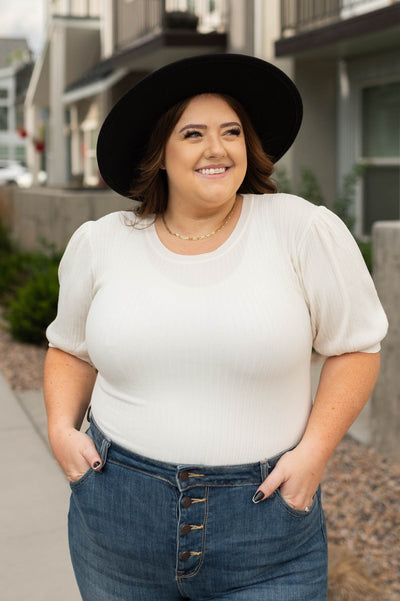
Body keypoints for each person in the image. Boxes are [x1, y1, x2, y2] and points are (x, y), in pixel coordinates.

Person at [44, 54, 388, 601]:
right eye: (193, 134)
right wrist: (61, 431)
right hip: (118, 516)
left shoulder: (301, 229)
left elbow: (357, 347)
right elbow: (69, 350)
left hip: (266, 522)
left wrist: (314, 454)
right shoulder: (101, 242)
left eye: (231, 132)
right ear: (159, 154)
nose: (217, 149)